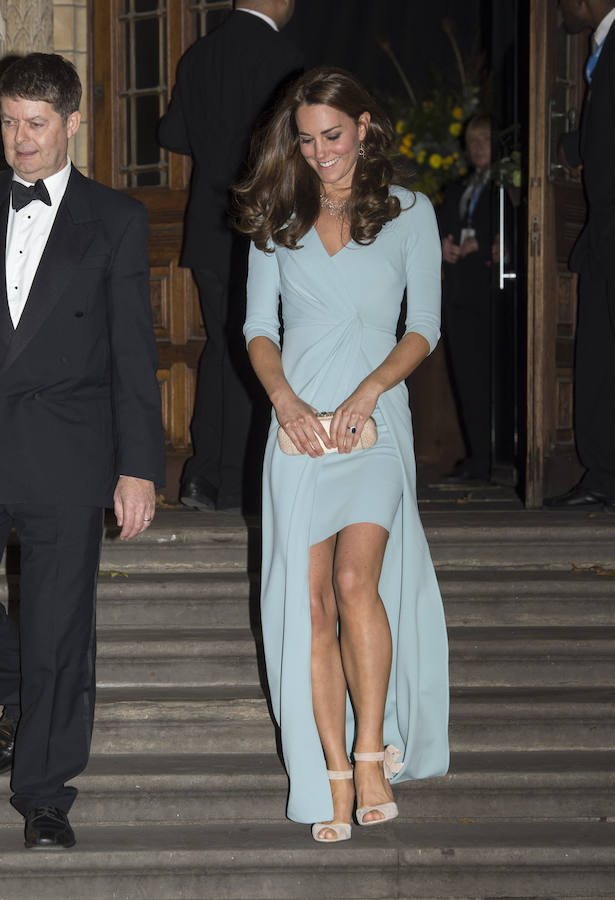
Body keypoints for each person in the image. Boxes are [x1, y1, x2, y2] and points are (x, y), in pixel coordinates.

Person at [234, 66, 449, 841]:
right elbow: (258, 329)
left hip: (372, 419)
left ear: (363, 126)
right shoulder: (276, 218)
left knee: (357, 579)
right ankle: (327, 767)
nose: (320, 152)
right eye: (306, 139)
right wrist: (285, 405)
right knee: (311, 601)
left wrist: (365, 396)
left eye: (332, 135)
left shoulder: (410, 211)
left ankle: (368, 751)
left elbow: (422, 325)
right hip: (297, 426)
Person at [0, 53, 165, 849]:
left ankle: (43, 793)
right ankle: (9, 690)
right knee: (26, 638)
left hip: (66, 447)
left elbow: (134, 353)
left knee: (59, 629)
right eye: (6, 122)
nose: (19, 140)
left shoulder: (117, 217)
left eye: (35, 125)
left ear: (71, 122)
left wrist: (138, 466)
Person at [158, 0, 303, 512]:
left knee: (223, 347)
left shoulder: (199, 54)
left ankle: (202, 475)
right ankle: (239, 479)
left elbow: (170, 134)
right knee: (254, 348)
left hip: (206, 227)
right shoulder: (283, 56)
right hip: (260, 227)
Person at [545, 0, 615, 510]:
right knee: (597, 352)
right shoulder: (603, 49)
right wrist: (577, 145)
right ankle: (604, 472)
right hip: (603, 228)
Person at [437, 115, 501, 483]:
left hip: (490, 296)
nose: (478, 148)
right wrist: (443, 244)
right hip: (460, 297)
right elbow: (441, 227)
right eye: (473, 142)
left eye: (485, 141)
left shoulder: (507, 189)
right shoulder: (458, 188)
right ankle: (478, 457)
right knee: (467, 380)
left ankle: (497, 458)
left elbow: (512, 230)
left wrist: (484, 245)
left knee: (493, 379)